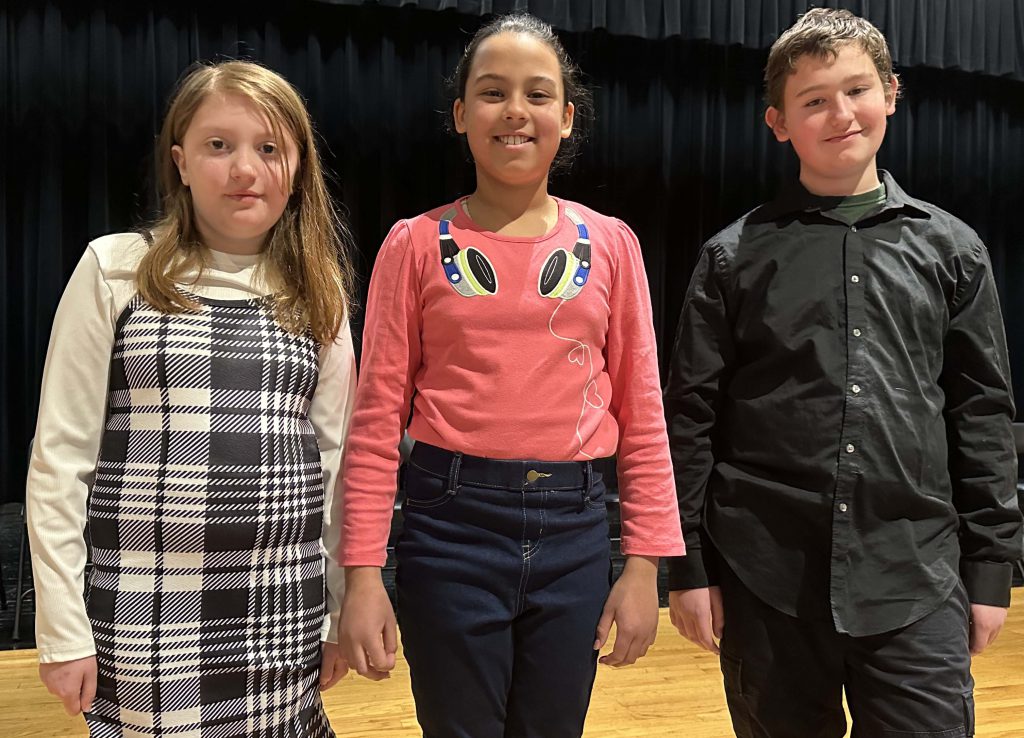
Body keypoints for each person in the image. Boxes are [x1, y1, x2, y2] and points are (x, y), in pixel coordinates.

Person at [665, 8, 1022, 737]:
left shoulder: (955, 251)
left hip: (917, 575)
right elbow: (690, 422)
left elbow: (981, 414)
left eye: (857, 90)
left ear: (892, 92)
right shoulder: (731, 259)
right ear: (778, 122)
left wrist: (991, 567)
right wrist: (688, 566)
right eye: (814, 100)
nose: (840, 114)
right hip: (766, 575)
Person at [337, 13, 684, 738]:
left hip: (576, 533)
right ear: (462, 115)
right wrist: (363, 575)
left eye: (537, 93)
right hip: (449, 530)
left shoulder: (612, 245)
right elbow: (373, 426)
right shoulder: (415, 244)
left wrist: (645, 566)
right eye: (492, 93)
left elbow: (645, 418)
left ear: (566, 114)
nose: (515, 112)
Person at [26, 59, 356, 736]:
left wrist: (334, 611)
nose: (245, 169)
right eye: (218, 146)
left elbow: (334, 464)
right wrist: (63, 629)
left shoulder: (318, 288)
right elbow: (60, 461)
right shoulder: (116, 269)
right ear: (180, 162)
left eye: (269, 148)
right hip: (145, 618)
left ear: (296, 167)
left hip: (280, 614)